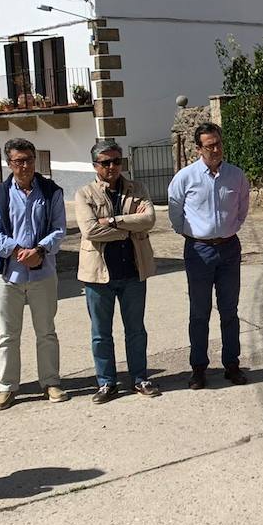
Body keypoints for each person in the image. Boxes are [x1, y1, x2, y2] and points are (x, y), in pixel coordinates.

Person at [74, 140, 159, 402]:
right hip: (99, 274)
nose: (112, 167)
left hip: (134, 271)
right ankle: (107, 382)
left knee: (136, 330)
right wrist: (129, 229)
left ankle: (139, 377)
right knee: (101, 333)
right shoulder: (84, 194)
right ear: (95, 166)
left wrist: (112, 221)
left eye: (116, 161)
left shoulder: (138, 188)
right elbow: (90, 230)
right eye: (105, 162)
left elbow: (149, 220)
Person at [168, 122, 250, 389]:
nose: (216, 149)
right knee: (199, 312)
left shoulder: (236, 175)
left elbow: (242, 208)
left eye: (218, 144)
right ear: (198, 148)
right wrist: (192, 234)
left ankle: (232, 365)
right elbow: (175, 211)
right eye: (210, 145)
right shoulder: (185, 177)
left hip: (228, 248)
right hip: (198, 250)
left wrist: (229, 229)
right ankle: (199, 367)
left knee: (229, 311)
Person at [0, 138, 67, 410]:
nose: (24, 166)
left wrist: (40, 251)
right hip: (9, 274)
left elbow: (59, 229)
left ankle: (51, 382)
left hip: (43, 272)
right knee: (8, 334)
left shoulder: (51, 191)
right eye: (18, 161)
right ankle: (7, 387)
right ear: (9, 164)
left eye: (29, 160)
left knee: (46, 331)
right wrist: (19, 251)